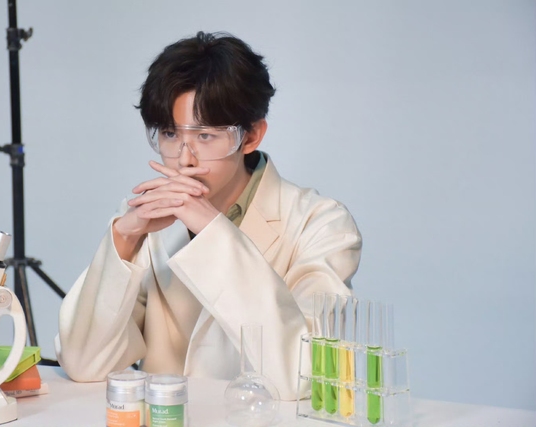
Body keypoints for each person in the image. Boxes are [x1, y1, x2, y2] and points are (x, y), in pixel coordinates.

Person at [55, 31, 361, 400]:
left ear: (251, 136)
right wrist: (123, 238)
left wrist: (213, 232)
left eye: (204, 136)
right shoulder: (145, 221)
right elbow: (85, 364)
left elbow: (304, 376)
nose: (184, 159)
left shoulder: (321, 224)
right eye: (170, 134)